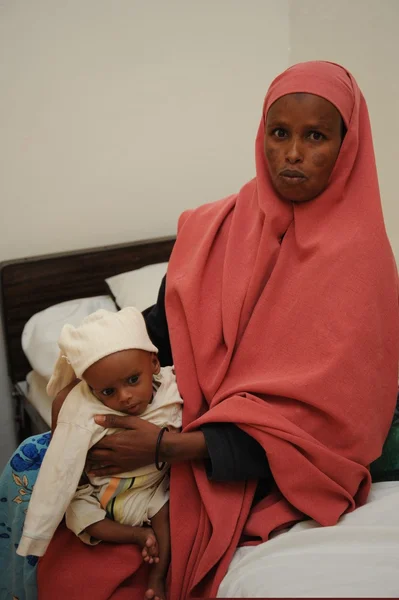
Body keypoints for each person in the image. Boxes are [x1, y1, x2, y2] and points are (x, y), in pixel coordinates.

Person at [0, 60, 398, 600]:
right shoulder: (217, 229)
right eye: (279, 133)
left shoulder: (362, 264)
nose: (293, 154)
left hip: (271, 469)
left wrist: (171, 446)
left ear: (347, 146)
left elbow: (337, 429)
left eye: (316, 136)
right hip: (185, 429)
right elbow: (164, 332)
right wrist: (89, 369)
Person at [17, 307, 182, 600]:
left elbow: (189, 422)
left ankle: (158, 577)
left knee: (165, 512)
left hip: (149, 489)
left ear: (154, 363)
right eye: (108, 392)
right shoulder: (83, 407)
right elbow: (60, 465)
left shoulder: (173, 386)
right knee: (78, 512)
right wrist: (38, 530)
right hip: (101, 489)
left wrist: (168, 442)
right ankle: (137, 536)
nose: (124, 397)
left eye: (133, 380)